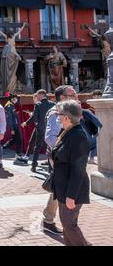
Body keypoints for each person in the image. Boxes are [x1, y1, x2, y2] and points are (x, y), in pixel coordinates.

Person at [51, 100, 91, 246]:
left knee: (69, 224)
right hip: (63, 188)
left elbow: (78, 169)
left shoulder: (78, 136)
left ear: (67, 117)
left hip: (73, 190)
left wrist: (71, 196)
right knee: (66, 224)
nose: (57, 117)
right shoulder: (67, 131)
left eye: (59, 114)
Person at [42, 85, 77, 235]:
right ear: (62, 98)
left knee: (61, 187)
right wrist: (63, 153)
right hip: (61, 157)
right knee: (64, 188)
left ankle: (49, 219)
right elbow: (50, 137)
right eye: (72, 95)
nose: (76, 97)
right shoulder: (56, 113)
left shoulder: (68, 110)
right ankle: (55, 221)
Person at [21, 89, 55, 171]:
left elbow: (34, 117)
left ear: (42, 95)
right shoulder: (53, 104)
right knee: (50, 146)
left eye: (38, 95)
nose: (37, 97)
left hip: (40, 128)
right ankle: (51, 167)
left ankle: (33, 166)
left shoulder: (38, 104)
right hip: (50, 128)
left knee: (37, 147)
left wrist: (26, 123)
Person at [0, 21, 28, 94]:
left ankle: (16, 58)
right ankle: (17, 57)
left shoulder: (13, 36)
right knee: (13, 50)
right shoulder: (7, 37)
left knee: (13, 51)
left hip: (10, 51)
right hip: (9, 50)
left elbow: (19, 31)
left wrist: (23, 25)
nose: (11, 31)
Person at [2, 93, 23, 160]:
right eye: (14, 99)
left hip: (15, 125)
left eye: (16, 99)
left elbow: (13, 116)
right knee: (18, 140)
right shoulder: (9, 106)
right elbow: (10, 119)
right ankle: (18, 154)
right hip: (13, 126)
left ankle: (2, 148)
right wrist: (12, 129)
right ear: (11, 99)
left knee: (14, 140)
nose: (16, 100)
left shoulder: (11, 105)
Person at [21, 93, 38, 163]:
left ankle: (33, 161)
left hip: (41, 127)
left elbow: (35, 116)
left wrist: (26, 123)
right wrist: (32, 114)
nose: (33, 101)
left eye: (34, 99)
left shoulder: (37, 105)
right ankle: (27, 157)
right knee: (32, 142)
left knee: (40, 145)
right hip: (38, 127)